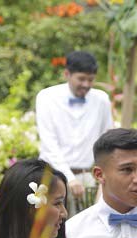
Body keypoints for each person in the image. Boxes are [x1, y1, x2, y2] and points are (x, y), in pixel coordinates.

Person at [36, 50, 113, 215]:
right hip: (52, 176)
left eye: (90, 80)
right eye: (81, 79)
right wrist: (69, 178)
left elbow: (107, 141)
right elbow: (49, 145)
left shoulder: (101, 100)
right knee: (51, 231)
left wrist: (104, 178)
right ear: (67, 74)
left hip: (88, 179)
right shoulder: (46, 97)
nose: (86, 84)